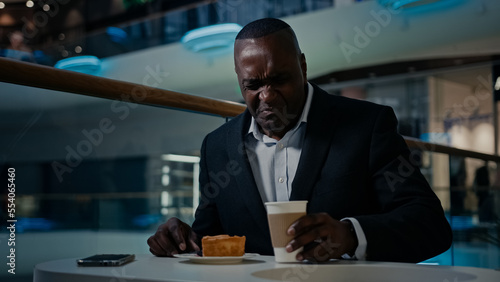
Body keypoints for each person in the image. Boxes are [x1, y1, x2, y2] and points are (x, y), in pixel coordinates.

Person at [148, 18, 452, 263]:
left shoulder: (367, 126)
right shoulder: (216, 147)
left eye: (279, 80)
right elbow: (209, 241)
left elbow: (430, 226)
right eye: (253, 85)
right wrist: (180, 238)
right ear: (239, 79)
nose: (267, 97)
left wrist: (350, 234)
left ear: (303, 67)